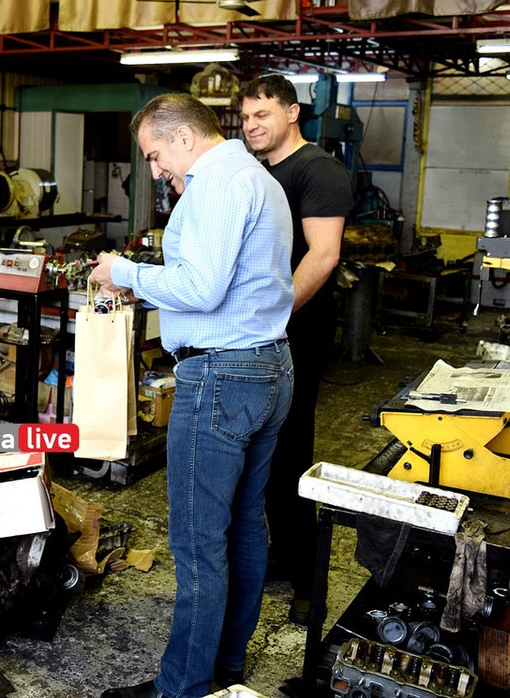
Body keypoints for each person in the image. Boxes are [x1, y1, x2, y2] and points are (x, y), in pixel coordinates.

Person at [91, 93, 295, 698]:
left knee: (199, 540)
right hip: (267, 366)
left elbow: (204, 289)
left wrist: (124, 272)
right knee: (244, 527)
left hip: (222, 378)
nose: (156, 170)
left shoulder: (216, 186)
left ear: (183, 137)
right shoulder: (256, 178)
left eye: (155, 155)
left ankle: (183, 686)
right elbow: (227, 281)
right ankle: (225, 667)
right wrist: (151, 288)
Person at [239, 74, 354, 626]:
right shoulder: (260, 172)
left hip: (295, 333)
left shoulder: (317, 170)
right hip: (260, 332)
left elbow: (323, 255)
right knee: (262, 455)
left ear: (292, 113)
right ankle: (284, 556)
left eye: (262, 114)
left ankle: (311, 580)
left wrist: (274, 317)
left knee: (290, 455)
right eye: (245, 117)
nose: (251, 125)